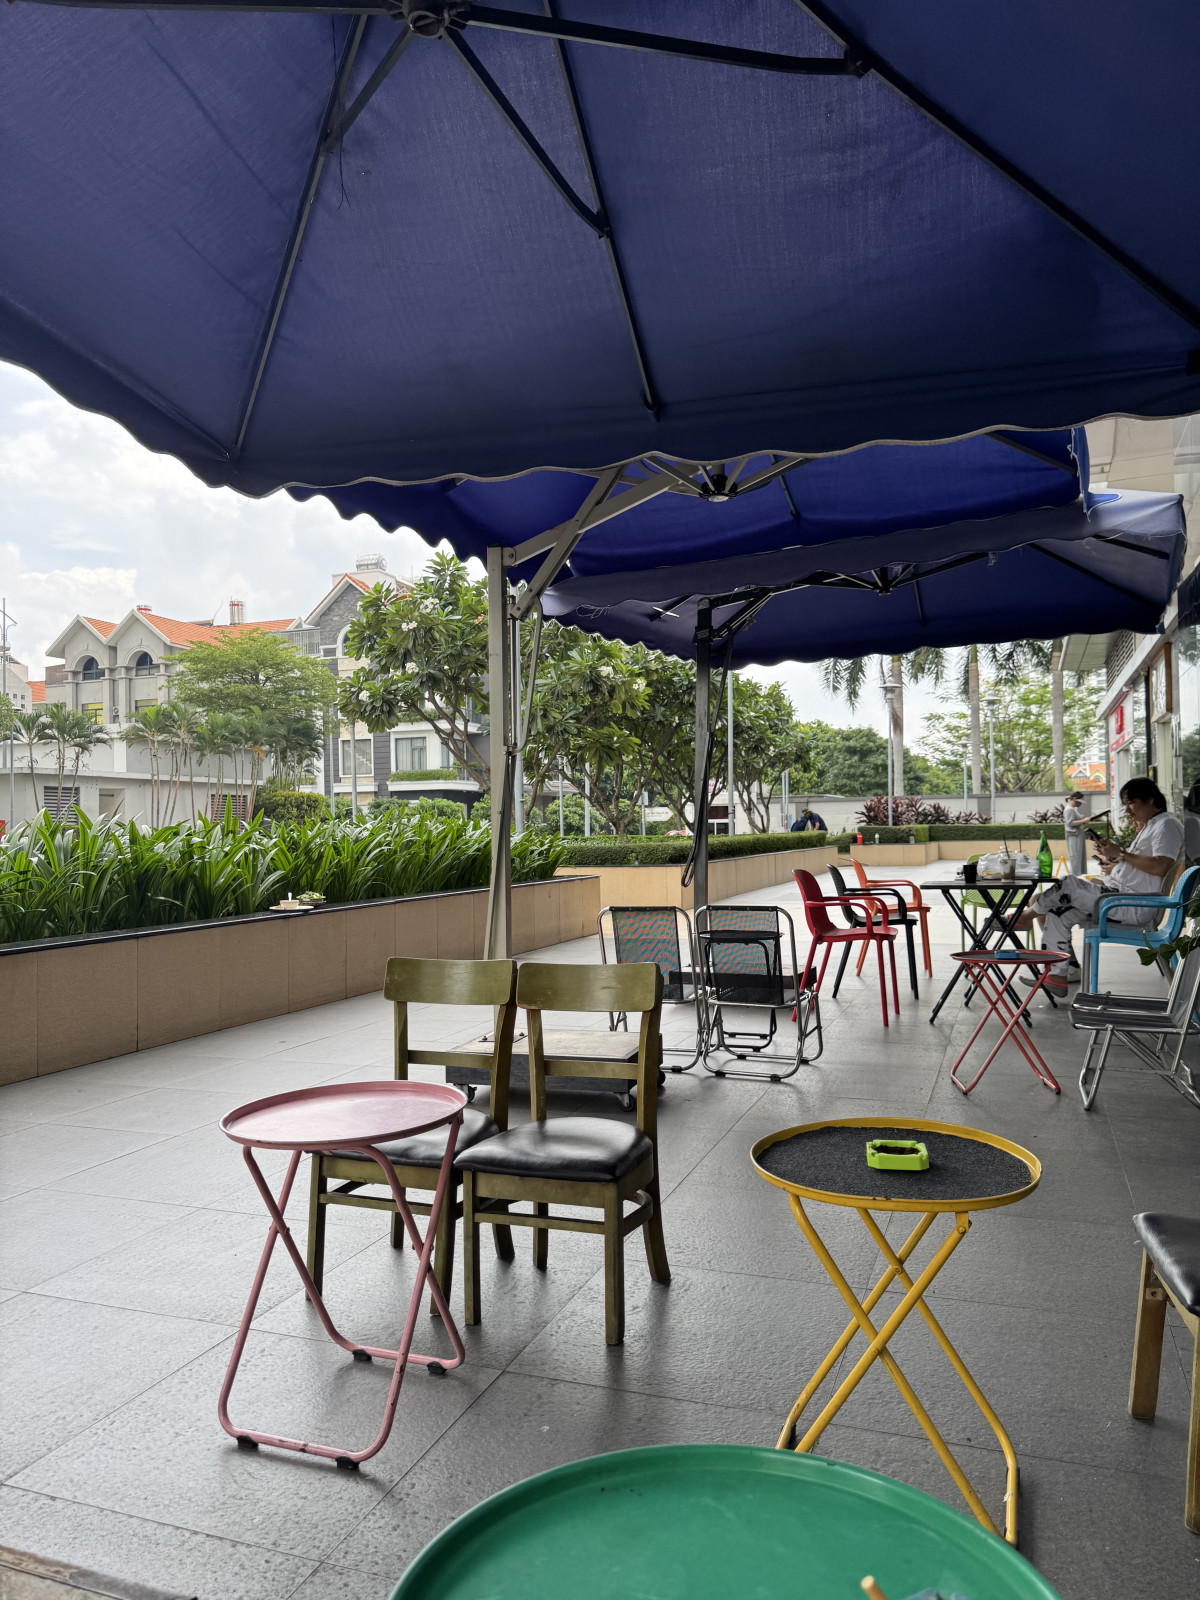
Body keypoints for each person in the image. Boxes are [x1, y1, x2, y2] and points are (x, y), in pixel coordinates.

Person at [1022, 777, 1183, 997]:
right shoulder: (1152, 825)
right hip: (1119, 898)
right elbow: (1142, 867)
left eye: (1131, 803)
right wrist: (1115, 860)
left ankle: (1026, 916)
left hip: (1132, 904)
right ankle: (1057, 976)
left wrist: (1122, 854)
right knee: (1057, 912)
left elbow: (1162, 866)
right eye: (1125, 804)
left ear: (1150, 799)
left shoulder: (1167, 824)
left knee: (1068, 884)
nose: (1127, 810)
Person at [1062, 789, 1090, 876]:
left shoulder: (1072, 809)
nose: (1080, 804)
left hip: (1077, 835)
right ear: (1074, 799)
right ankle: (1075, 876)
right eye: (1079, 801)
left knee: (1078, 857)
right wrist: (1084, 821)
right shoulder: (1069, 809)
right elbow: (1070, 822)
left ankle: (1079, 876)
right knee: (1075, 858)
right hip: (1074, 835)